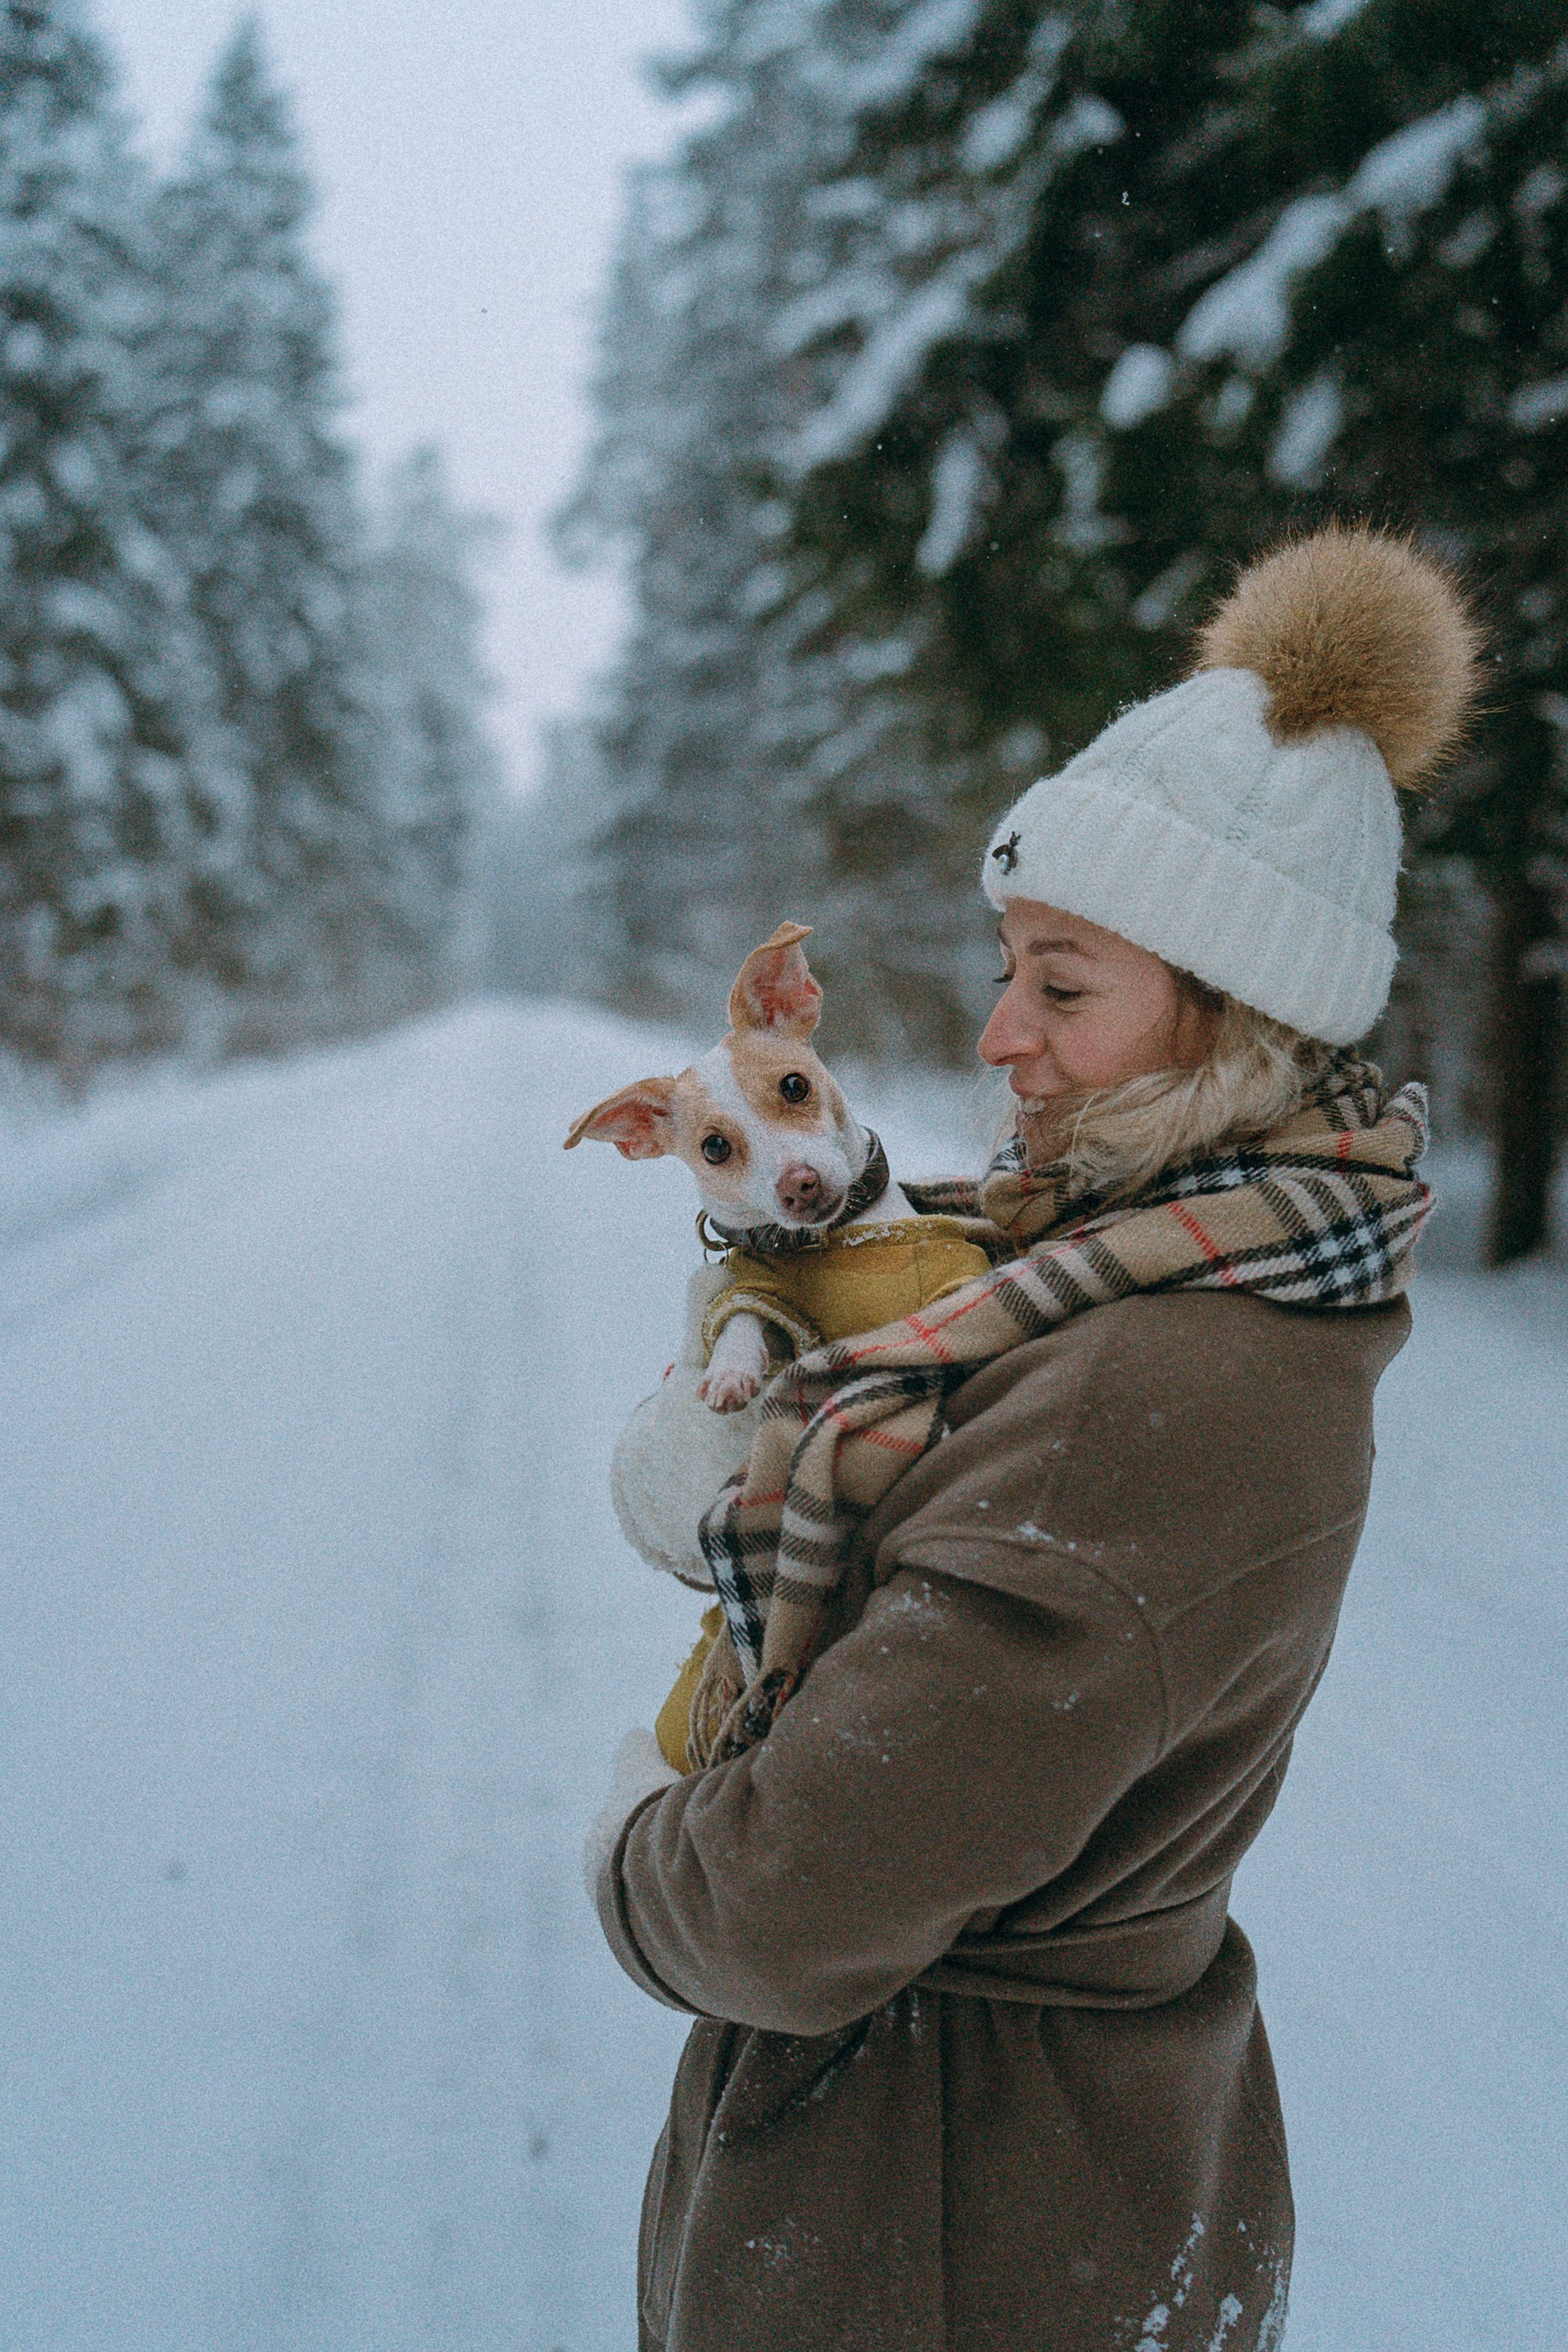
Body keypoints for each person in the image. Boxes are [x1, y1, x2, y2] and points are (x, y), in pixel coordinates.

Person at [585, 524, 1480, 2352]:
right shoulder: (1129, 1268)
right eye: (1010, 970)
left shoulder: (1146, 1388)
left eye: (1062, 987)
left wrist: (633, 1844)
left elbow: (778, 1907)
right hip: (1050, 2174)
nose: (998, 1033)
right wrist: (732, 1441)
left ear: (1232, 1013)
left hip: (943, 2214)